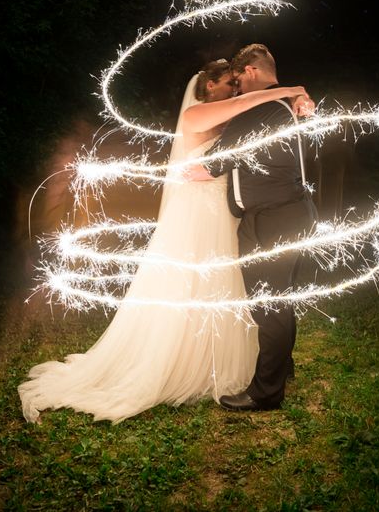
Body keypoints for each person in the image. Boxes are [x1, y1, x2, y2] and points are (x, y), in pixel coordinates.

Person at [18, 59, 310, 424]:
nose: (235, 89)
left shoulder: (229, 117)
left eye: (237, 83)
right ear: (209, 87)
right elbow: (242, 108)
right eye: (228, 84)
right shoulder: (196, 115)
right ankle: (195, 361)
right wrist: (289, 89)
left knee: (239, 288)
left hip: (224, 213)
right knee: (195, 286)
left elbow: (249, 131)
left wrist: (297, 97)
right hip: (198, 217)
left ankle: (261, 364)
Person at [187, 44, 317, 412]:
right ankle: (281, 368)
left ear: (250, 72)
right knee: (279, 300)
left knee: (267, 304)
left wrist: (205, 169)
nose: (237, 91)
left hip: (273, 218)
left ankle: (265, 393)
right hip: (289, 212)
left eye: (238, 81)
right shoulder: (285, 106)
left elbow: (227, 150)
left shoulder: (261, 105)